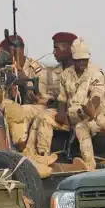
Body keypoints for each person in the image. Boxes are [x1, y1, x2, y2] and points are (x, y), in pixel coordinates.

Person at [28, 39, 105, 171]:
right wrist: (61, 112)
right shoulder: (66, 74)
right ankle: (42, 156)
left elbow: (97, 95)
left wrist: (91, 110)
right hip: (71, 115)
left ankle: (89, 165)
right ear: (73, 59)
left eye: (84, 60)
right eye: (78, 60)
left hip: (91, 116)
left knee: (82, 128)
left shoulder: (95, 72)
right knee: (44, 117)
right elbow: (62, 97)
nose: (82, 63)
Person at [23, 32, 80, 168]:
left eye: (56, 48)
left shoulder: (80, 70)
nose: (53, 52)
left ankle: (43, 155)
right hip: (56, 109)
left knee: (44, 117)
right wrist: (40, 99)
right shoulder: (53, 72)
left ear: (69, 49)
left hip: (74, 113)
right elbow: (52, 97)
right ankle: (27, 152)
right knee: (25, 110)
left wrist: (60, 108)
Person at [0, 33, 50, 150]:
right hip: (15, 105)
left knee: (21, 111)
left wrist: (22, 76)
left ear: (21, 51)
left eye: (10, 53)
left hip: (38, 106)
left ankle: (21, 148)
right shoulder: (4, 68)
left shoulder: (35, 68)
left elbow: (40, 98)